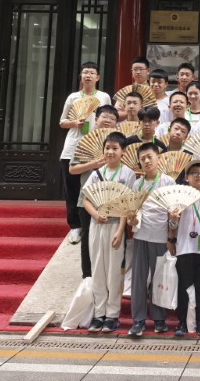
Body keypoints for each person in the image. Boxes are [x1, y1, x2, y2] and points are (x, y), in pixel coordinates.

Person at [82, 131, 136, 334]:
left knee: (114, 271)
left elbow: (127, 204)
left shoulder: (127, 174)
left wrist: (121, 231)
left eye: (115, 148)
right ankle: (99, 313)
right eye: (107, 148)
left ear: (123, 152)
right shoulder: (96, 173)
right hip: (97, 225)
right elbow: (86, 199)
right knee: (97, 269)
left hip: (115, 225)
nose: (110, 152)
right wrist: (95, 215)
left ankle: (112, 315)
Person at [59, 62, 112, 245]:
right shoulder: (73, 97)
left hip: (96, 147)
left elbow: (109, 117)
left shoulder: (103, 97)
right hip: (73, 147)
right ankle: (75, 226)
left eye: (91, 73)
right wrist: (75, 123)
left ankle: (91, 222)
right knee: (71, 188)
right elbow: (62, 121)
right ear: (80, 77)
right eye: (85, 73)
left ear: (98, 77)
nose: (88, 75)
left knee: (93, 187)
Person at [128, 143, 176, 338]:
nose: (146, 161)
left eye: (150, 157)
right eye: (142, 158)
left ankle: (159, 318)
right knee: (138, 280)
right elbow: (133, 212)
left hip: (160, 237)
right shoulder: (137, 184)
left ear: (159, 158)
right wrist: (131, 220)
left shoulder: (168, 182)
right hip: (140, 236)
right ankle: (138, 320)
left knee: (159, 278)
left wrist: (171, 237)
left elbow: (173, 214)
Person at [169, 158, 200, 337]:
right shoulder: (179, 197)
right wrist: (173, 221)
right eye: (194, 173)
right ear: (186, 177)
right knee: (184, 285)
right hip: (184, 247)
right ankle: (182, 321)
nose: (199, 175)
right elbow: (172, 225)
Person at [69, 104, 119, 279]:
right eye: (104, 117)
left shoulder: (119, 144)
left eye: (112, 118)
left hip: (113, 200)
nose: (108, 120)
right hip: (88, 198)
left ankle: (107, 278)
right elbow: (72, 169)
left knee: (111, 240)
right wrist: (93, 164)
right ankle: (88, 277)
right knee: (87, 240)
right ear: (96, 119)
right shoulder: (84, 141)